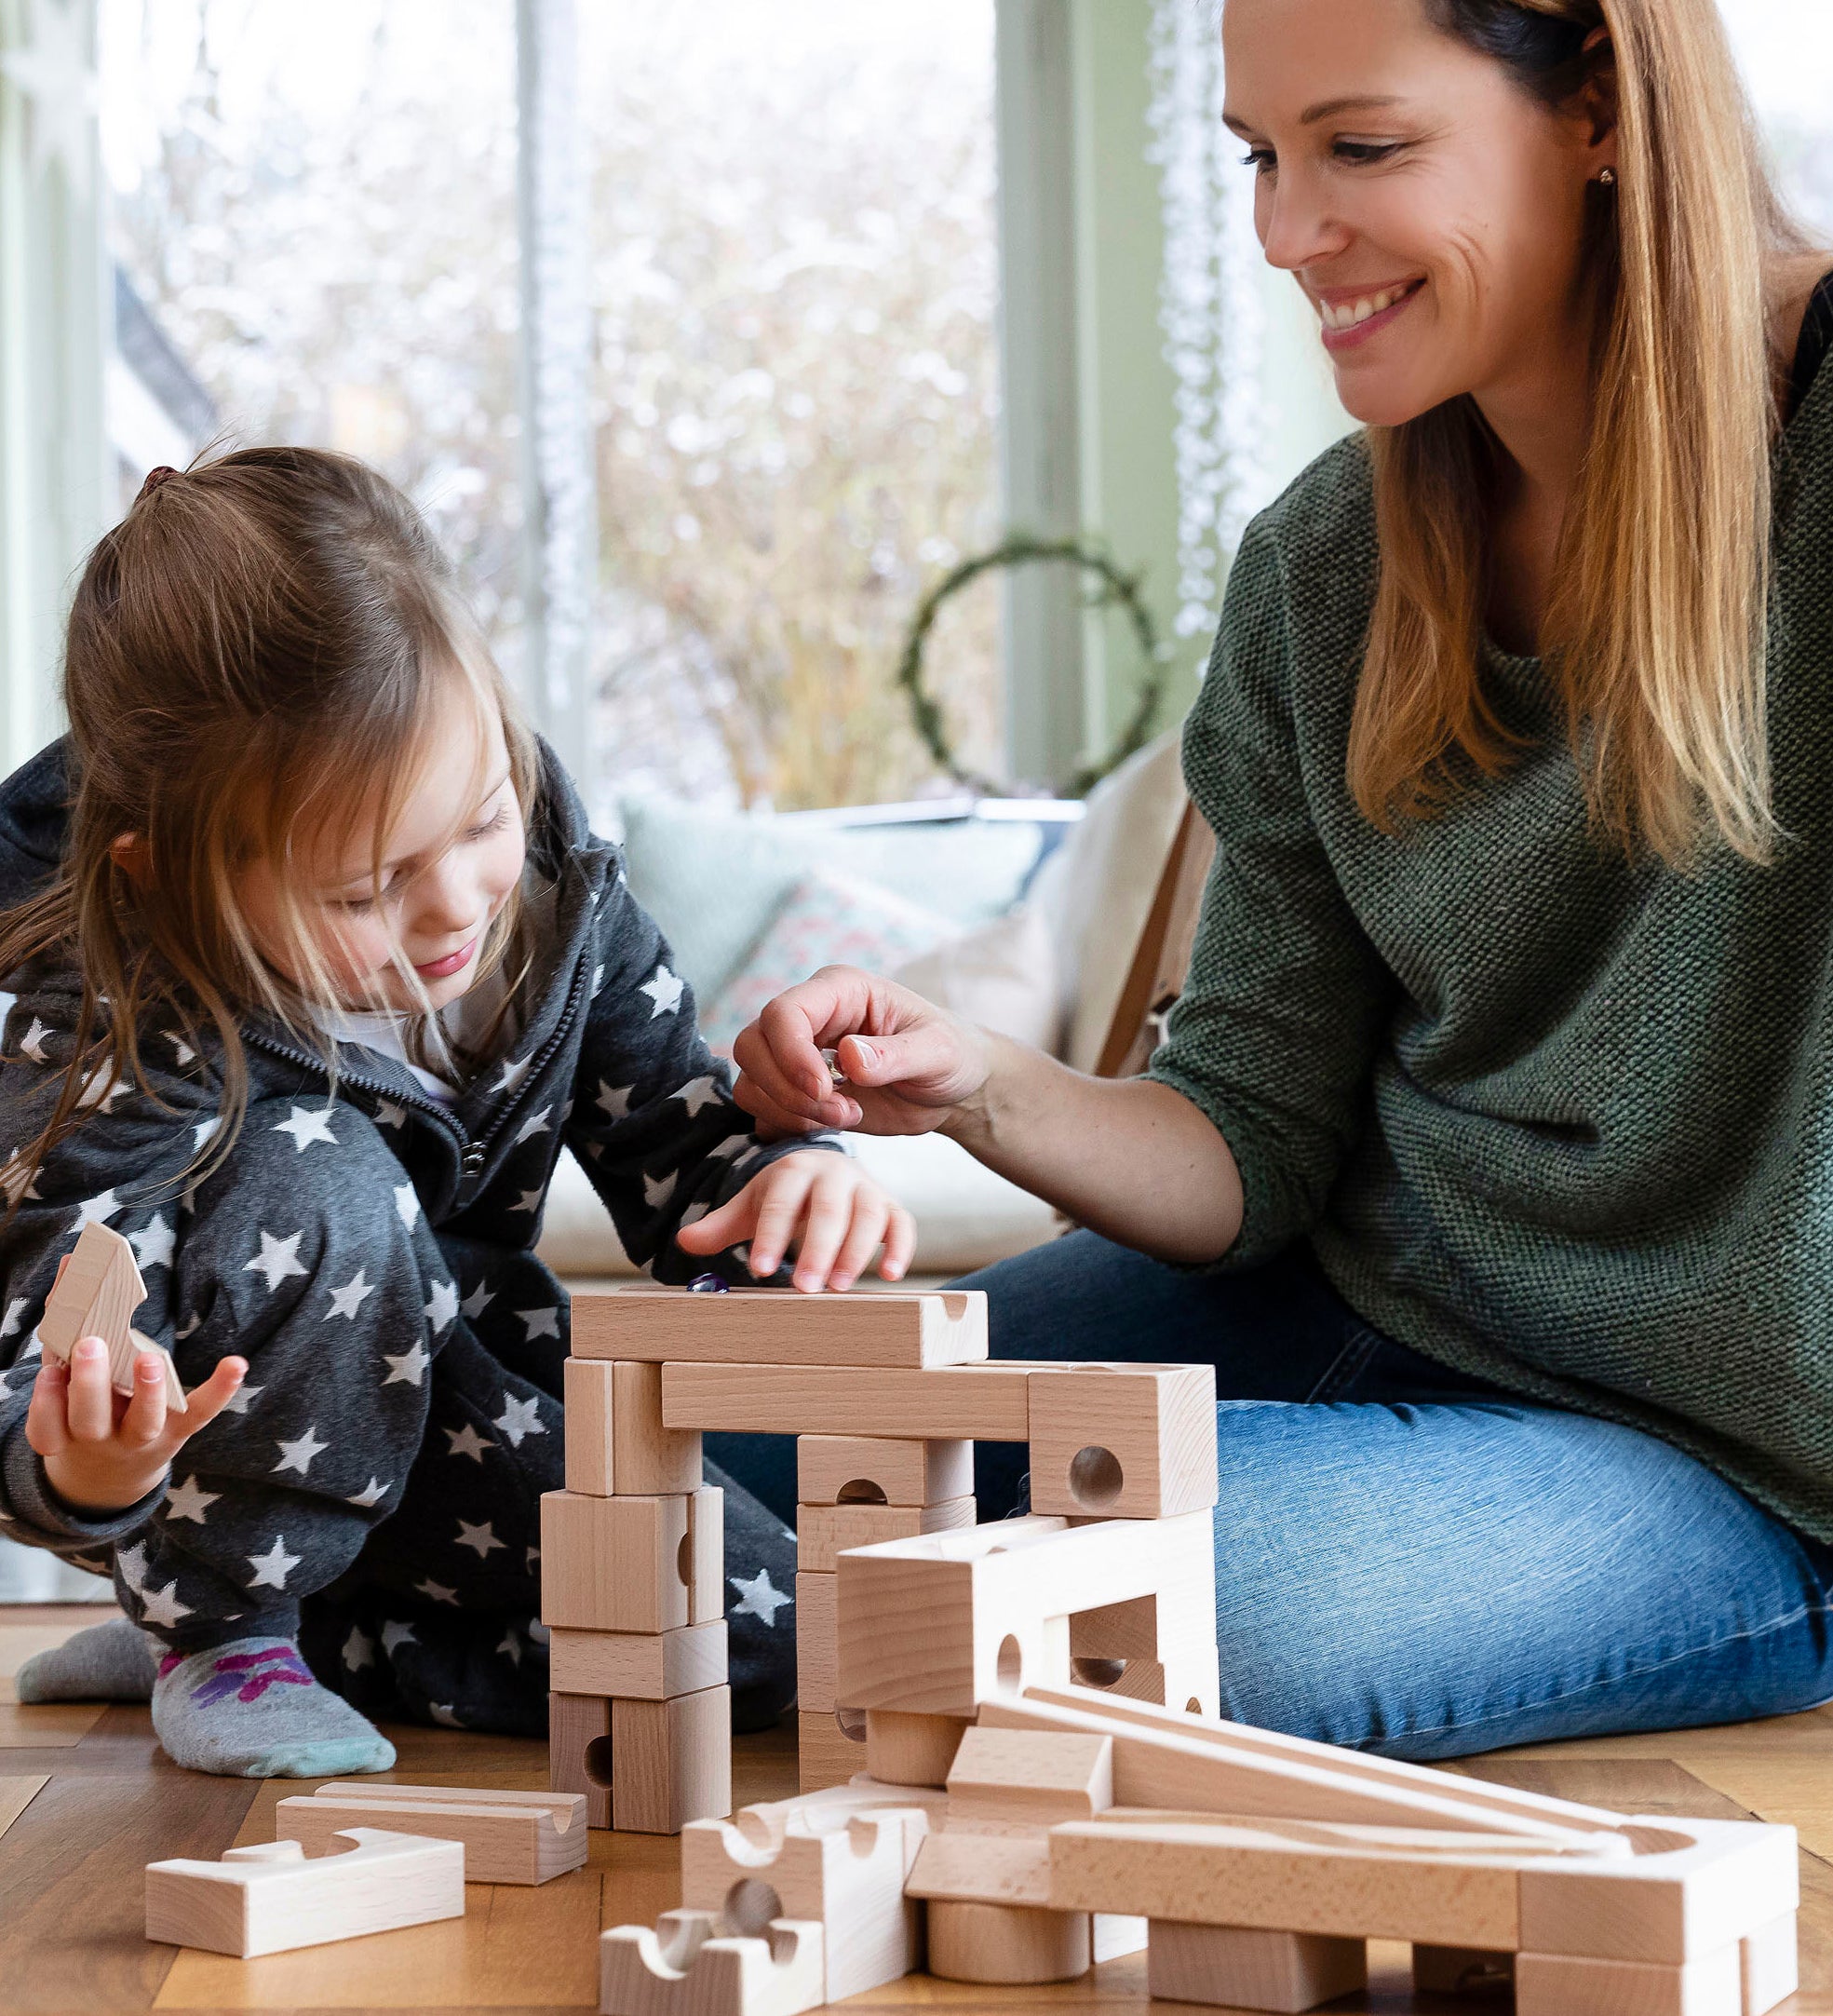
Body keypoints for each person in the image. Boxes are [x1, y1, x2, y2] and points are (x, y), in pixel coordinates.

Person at [730, 0, 1833, 1760]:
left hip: (1733, 1453)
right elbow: (1246, 1140)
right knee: (742, 1449)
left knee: (1131, 1599)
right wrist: (977, 1080)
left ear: (1599, 107)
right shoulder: (1326, 563)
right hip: (1364, 1285)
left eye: (1362, 148)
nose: (1283, 231)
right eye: (1259, 154)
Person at [0, 447, 911, 1778]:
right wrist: (93, 1470)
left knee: (762, 1645)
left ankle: (327, 1633)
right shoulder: (113, 1002)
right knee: (319, 1166)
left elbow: (677, 1152)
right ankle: (228, 1626)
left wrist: (787, 1171)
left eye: (481, 814)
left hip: (463, 1400)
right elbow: (44, 1339)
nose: (451, 907)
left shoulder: (551, 902)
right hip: (235, 1444)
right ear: (167, 869)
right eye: (366, 889)